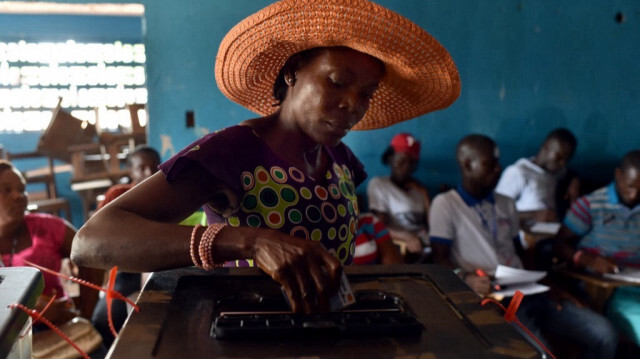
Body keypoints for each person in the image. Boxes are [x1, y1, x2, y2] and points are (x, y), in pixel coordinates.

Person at [71, 0, 461, 315]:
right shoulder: (233, 152)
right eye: (338, 82)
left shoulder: (341, 160)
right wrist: (250, 242)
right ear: (292, 72)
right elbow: (92, 241)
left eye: (367, 93)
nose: (352, 105)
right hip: (247, 337)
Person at [429, 134, 617, 359]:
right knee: (540, 354)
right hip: (491, 295)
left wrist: (549, 285)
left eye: (498, 163)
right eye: (490, 164)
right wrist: (465, 277)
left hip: (527, 289)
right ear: (468, 165)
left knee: (605, 334)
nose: (498, 169)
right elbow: (439, 259)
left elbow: (519, 252)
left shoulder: (505, 203)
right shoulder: (445, 204)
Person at [0, 160, 103, 325]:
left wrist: (85, 314)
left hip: (61, 326)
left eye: (22, 189)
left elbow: (91, 255)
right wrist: (30, 308)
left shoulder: (47, 227)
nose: (18, 196)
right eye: (6, 190)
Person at [558, 149, 640, 346]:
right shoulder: (591, 205)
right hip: (608, 290)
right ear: (618, 175)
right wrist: (587, 260)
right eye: (630, 187)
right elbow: (559, 245)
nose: (634, 194)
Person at [91, 145, 162, 348]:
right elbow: (94, 235)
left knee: (157, 320)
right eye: (142, 168)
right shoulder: (117, 196)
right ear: (131, 172)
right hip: (125, 270)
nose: (149, 173)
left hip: (161, 269)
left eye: (155, 167)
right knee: (104, 319)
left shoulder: (171, 197)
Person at [495, 127, 578, 227]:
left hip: (549, 233)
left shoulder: (556, 171)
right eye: (559, 157)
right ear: (546, 148)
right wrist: (534, 215)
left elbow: (570, 174)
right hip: (523, 236)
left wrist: (575, 181)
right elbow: (497, 213)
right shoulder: (518, 173)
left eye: (567, 159)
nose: (563, 163)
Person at [367, 133, 431, 261]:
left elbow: (432, 226)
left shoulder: (418, 188)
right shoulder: (380, 185)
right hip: (400, 244)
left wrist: (425, 194)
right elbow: (379, 226)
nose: (406, 168)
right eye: (401, 161)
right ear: (391, 159)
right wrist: (406, 237)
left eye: (412, 163)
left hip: (424, 243)